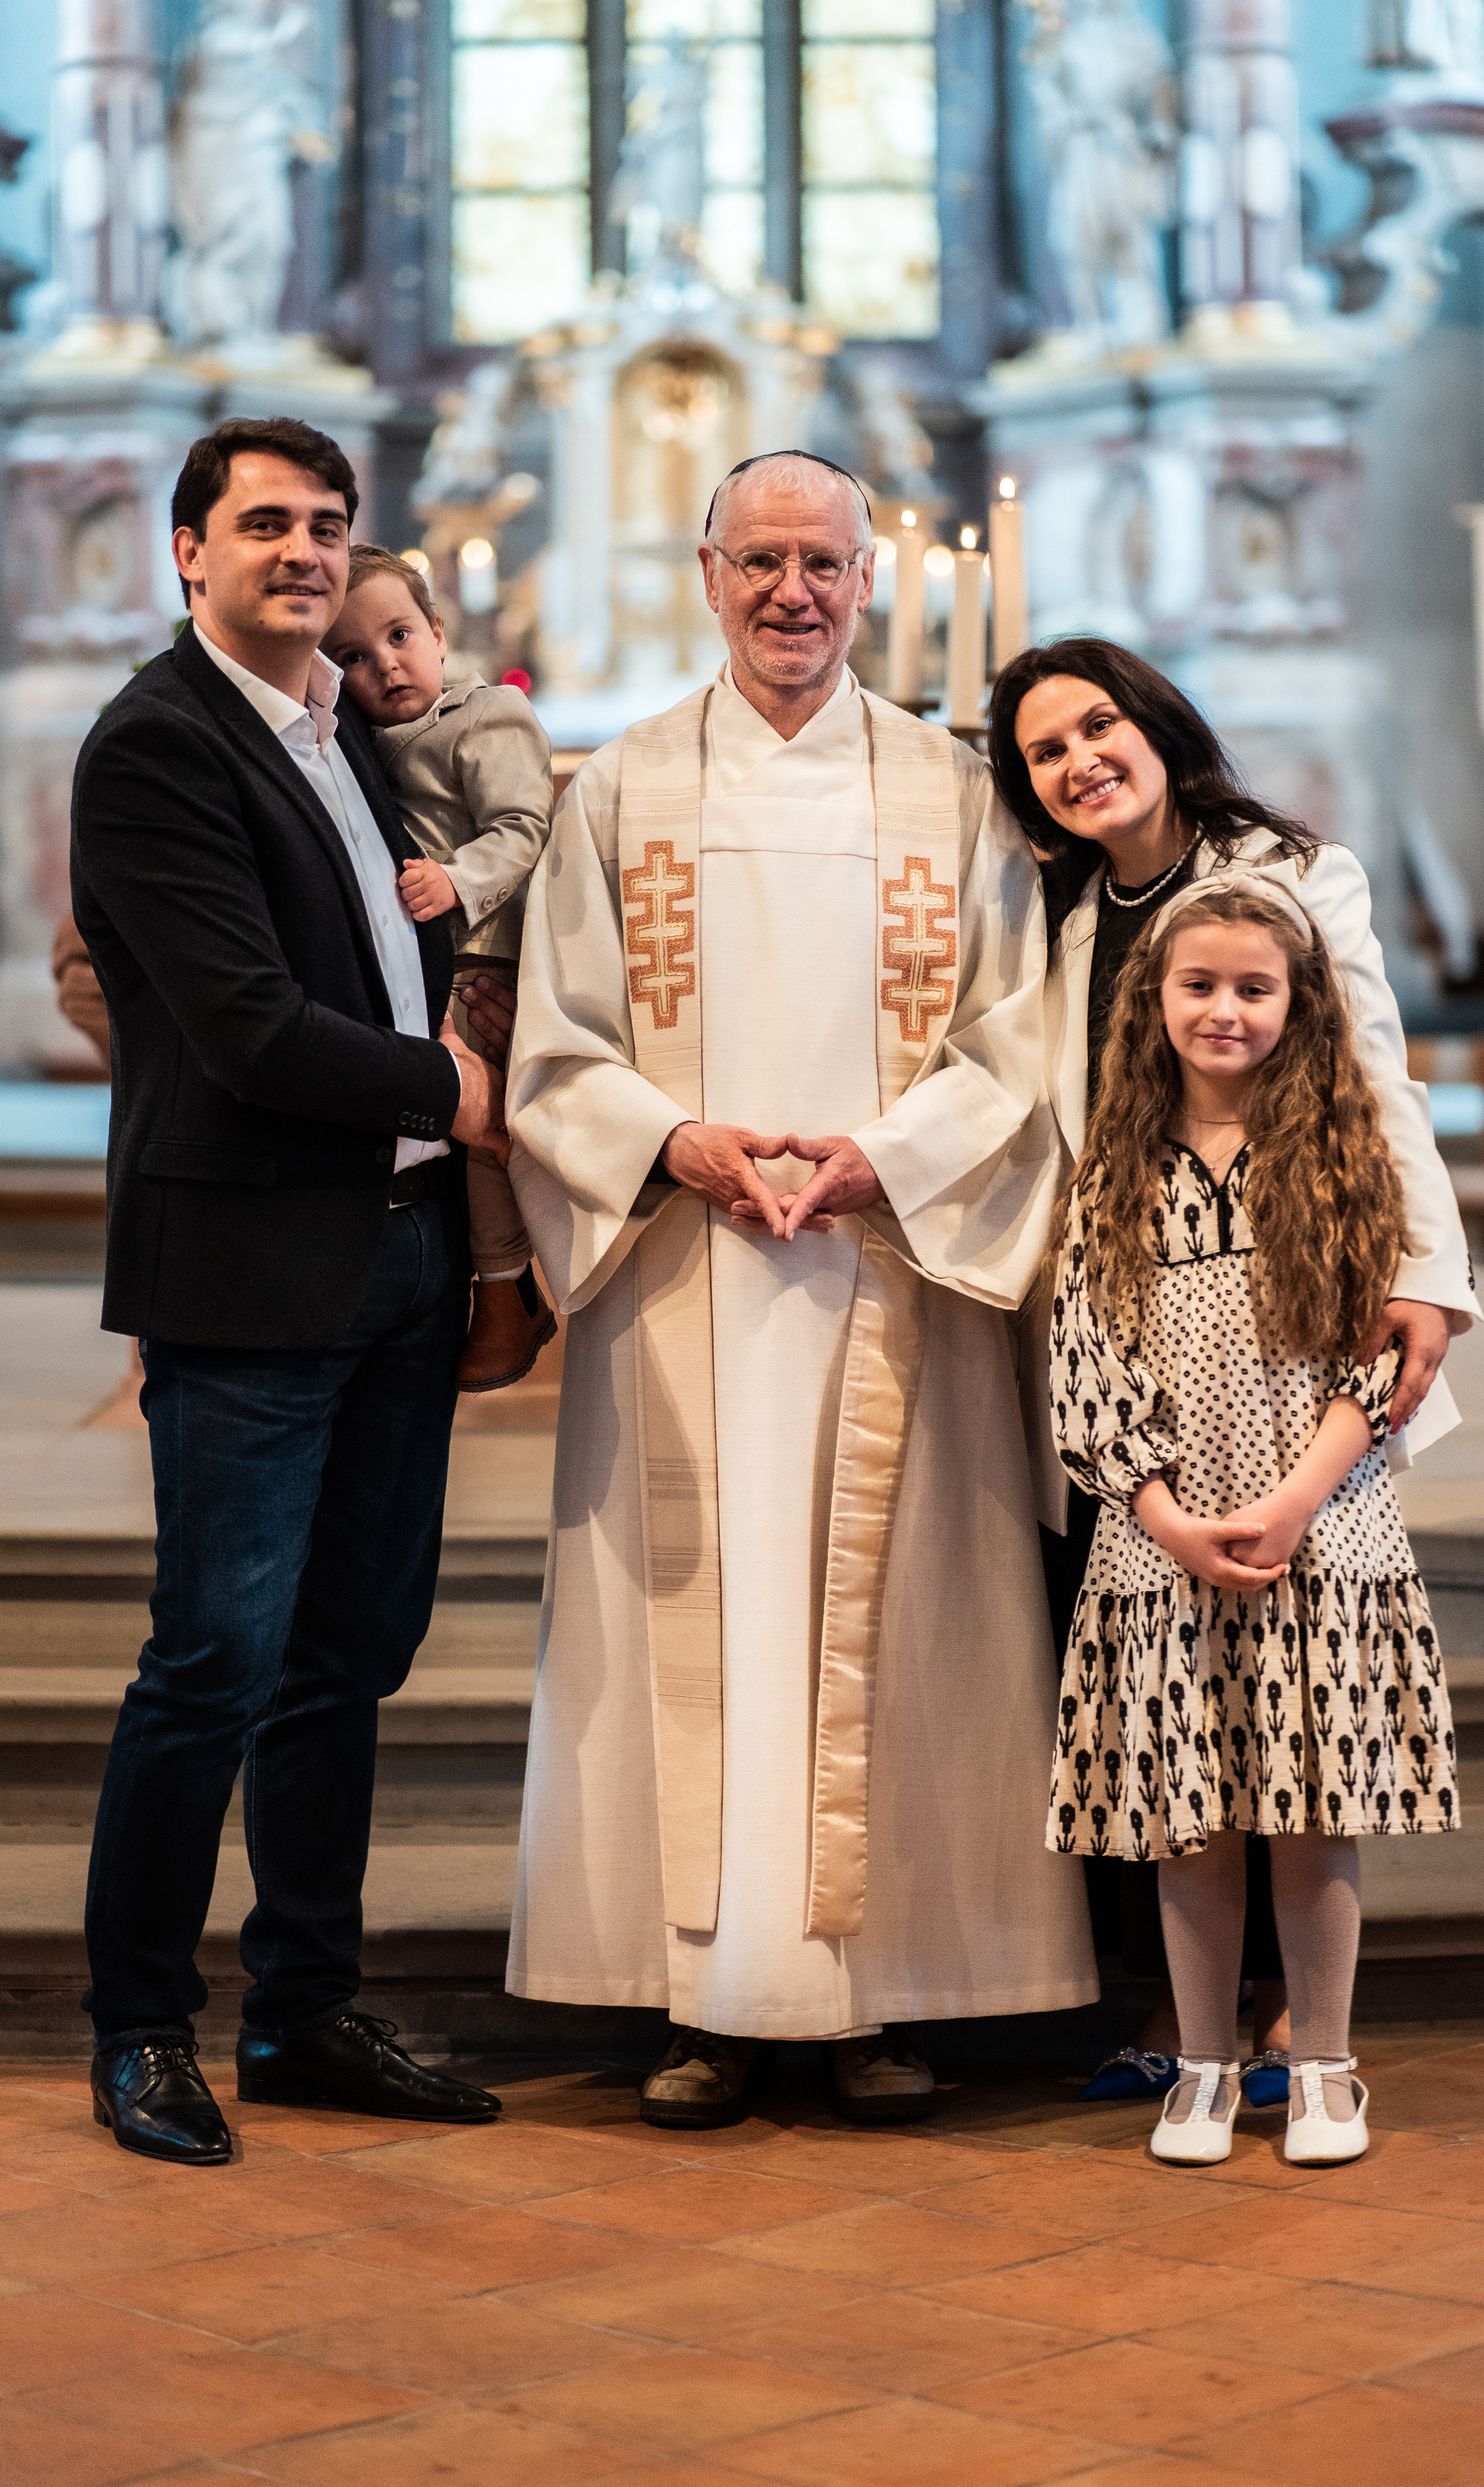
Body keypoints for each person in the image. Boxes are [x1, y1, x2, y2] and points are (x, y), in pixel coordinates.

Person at [473, 449, 1097, 2130]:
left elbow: (1016, 1037)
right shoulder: (624, 791)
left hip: (890, 1271)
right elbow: (556, 1045)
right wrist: (677, 1146)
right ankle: (705, 1998)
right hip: (687, 1277)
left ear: (869, 579)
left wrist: (881, 1157)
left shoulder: (954, 793)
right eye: (760, 563)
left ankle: (878, 1996)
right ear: (707, 573)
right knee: (704, 1633)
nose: (792, 594)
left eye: (822, 563)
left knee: (901, 1642)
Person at [70, 416, 506, 2166]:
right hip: (252, 1266)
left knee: (351, 1655)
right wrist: (456, 1094)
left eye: (329, 525)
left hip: (393, 1253)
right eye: (266, 524)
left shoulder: (348, 736)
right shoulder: (159, 745)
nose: (307, 553)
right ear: (189, 551)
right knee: (216, 1660)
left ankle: (306, 2004)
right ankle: (138, 2029)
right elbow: (247, 1028)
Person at [985, 640, 1479, 2104]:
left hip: (1296, 1315)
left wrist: (1419, 1278)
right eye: (1043, 751)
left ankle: (1284, 2021)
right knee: (1159, 1681)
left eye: (1096, 725)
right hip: (1142, 1328)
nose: (1078, 760)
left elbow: (1373, 1070)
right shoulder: (1063, 907)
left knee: (1294, 1690)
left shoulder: (1289, 871)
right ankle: (1176, 2011)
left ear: (1153, 723)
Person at [1047, 876, 1459, 2167]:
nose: (1222, 1011)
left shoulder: (1334, 1159)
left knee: (1311, 1807)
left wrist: (1290, 1503)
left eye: (1250, 989)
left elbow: (1370, 1363)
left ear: (1297, 1004)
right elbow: (1084, 1354)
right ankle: (1204, 2069)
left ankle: (1325, 2064)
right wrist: (1164, 1514)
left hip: (1320, 1527)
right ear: (1151, 1002)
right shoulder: (1111, 1165)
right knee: (1193, 1814)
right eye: (1197, 986)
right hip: (1160, 1541)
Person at [324, 543, 557, 1391]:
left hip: (477, 955)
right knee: (438, 1140)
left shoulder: (484, 717)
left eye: (398, 637)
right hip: (410, 964)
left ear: (437, 630)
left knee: (480, 1128)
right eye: (352, 655)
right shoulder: (350, 737)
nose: (384, 666)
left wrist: (456, 881)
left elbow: (526, 831)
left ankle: (506, 1294)